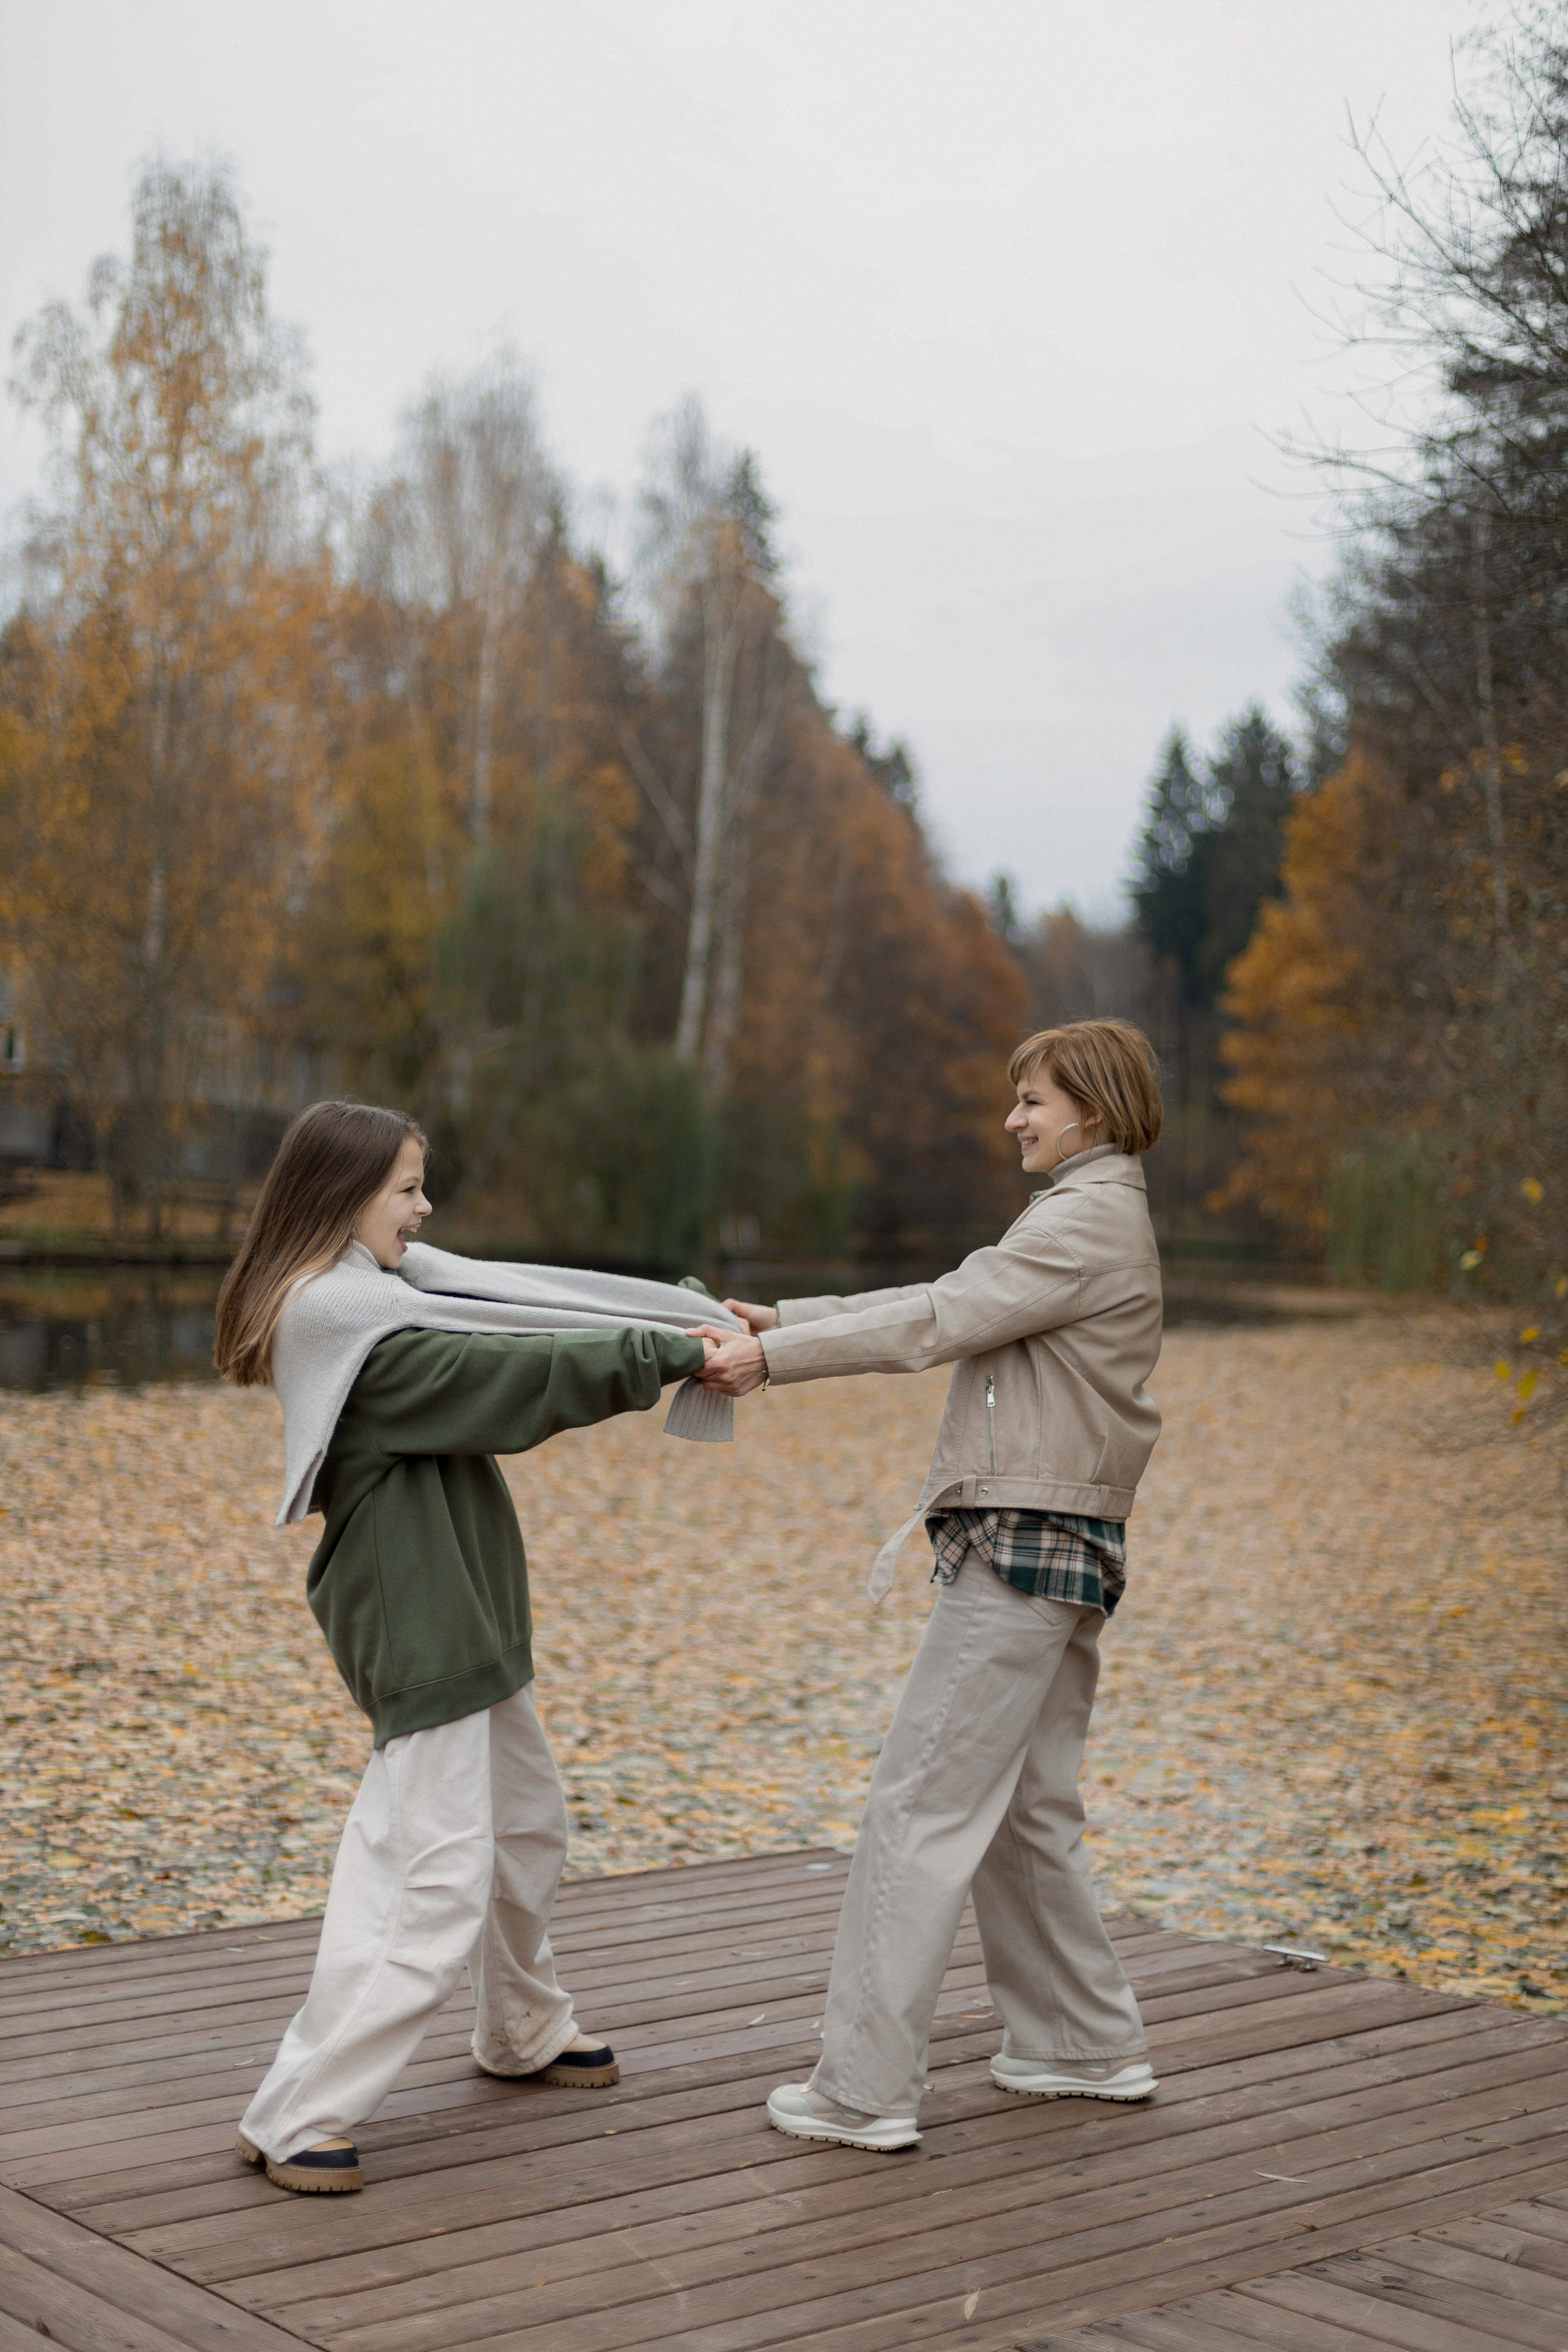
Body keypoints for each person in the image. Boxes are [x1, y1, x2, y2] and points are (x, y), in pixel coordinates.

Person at [213, 1101, 718, 2194]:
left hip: (467, 1618)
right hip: (424, 1629)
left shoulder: (383, 1291)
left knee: (526, 1827)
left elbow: (521, 1304)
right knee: (429, 1879)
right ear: (343, 1196)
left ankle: (523, 2026)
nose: (424, 1206)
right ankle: (302, 2110)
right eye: (405, 1187)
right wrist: (665, 1354)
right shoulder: (347, 1321)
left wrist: (680, 1317)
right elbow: (510, 1378)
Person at [696, 1019, 1164, 2152]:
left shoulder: (1088, 1217)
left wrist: (775, 1362)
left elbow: (940, 1319)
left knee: (918, 1806)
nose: (1015, 1119)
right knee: (1023, 1805)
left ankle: (862, 2089)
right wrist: (792, 1319)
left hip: (1022, 1550)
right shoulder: (1091, 1213)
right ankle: (1078, 2042)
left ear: (1091, 1112)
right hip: (1062, 1546)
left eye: (1034, 1102)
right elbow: (957, 1292)